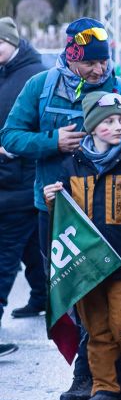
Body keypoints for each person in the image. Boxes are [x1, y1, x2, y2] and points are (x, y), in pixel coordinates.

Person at [3, 17, 121, 400]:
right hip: (59, 214)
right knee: (79, 299)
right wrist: (52, 141)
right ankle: (94, 378)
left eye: (103, 61)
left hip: (116, 220)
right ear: (71, 56)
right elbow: (10, 136)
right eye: (90, 62)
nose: (99, 69)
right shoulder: (40, 87)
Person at [42, 91, 121, 400]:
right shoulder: (71, 165)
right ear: (92, 126)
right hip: (87, 266)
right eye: (109, 121)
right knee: (96, 328)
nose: (118, 126)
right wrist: (52, 201)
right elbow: (64, 221)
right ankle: (108, 386)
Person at [0, 17, 48, 325]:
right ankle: (42, 296)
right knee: (30, 247)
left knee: (4, 256)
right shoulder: (4, 74)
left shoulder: (36, 76)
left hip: (22, 180)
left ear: (12, 42)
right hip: (9, 180)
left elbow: (44, 129)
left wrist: (12, 148)